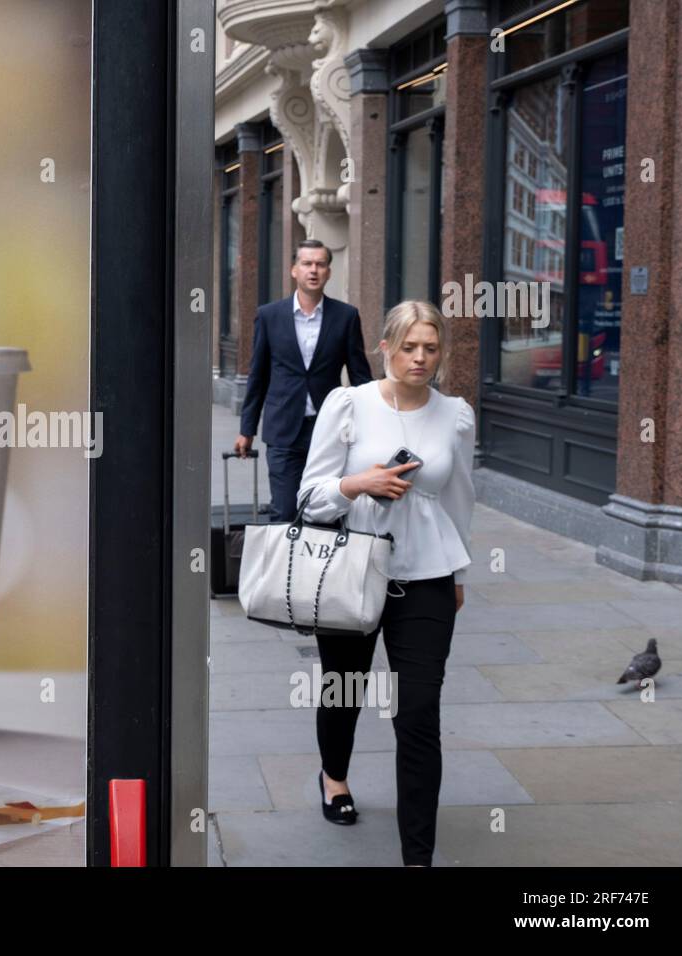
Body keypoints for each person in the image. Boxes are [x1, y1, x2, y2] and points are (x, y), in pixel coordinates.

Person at [295, 300, 476, 867]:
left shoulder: (456, 415)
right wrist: (358, 483)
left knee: (418, 712)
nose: (420, 358)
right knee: (344, 689)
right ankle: (334, 776)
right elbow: (308, 498)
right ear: (385, 347)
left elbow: (459, 499)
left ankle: (417, 857)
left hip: (427, 578)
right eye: (409, 347)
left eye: (431, 347)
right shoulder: (348, 404)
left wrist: (460, 571)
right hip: (352, 569)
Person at [234, 239, 373, 522]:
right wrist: (247, 428)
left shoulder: (346, 316)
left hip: (330, 430)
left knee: (327, 512)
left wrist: (372, 424)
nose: (314, 270)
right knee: (284, 511)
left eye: (320, 264)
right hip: (283, 429)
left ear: (328, 272)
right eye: (307, 264)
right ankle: (284, 566)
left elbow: (360, 376)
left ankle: (320, 566)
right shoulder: (269, 316)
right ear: (293, 270)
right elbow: (257, 375)